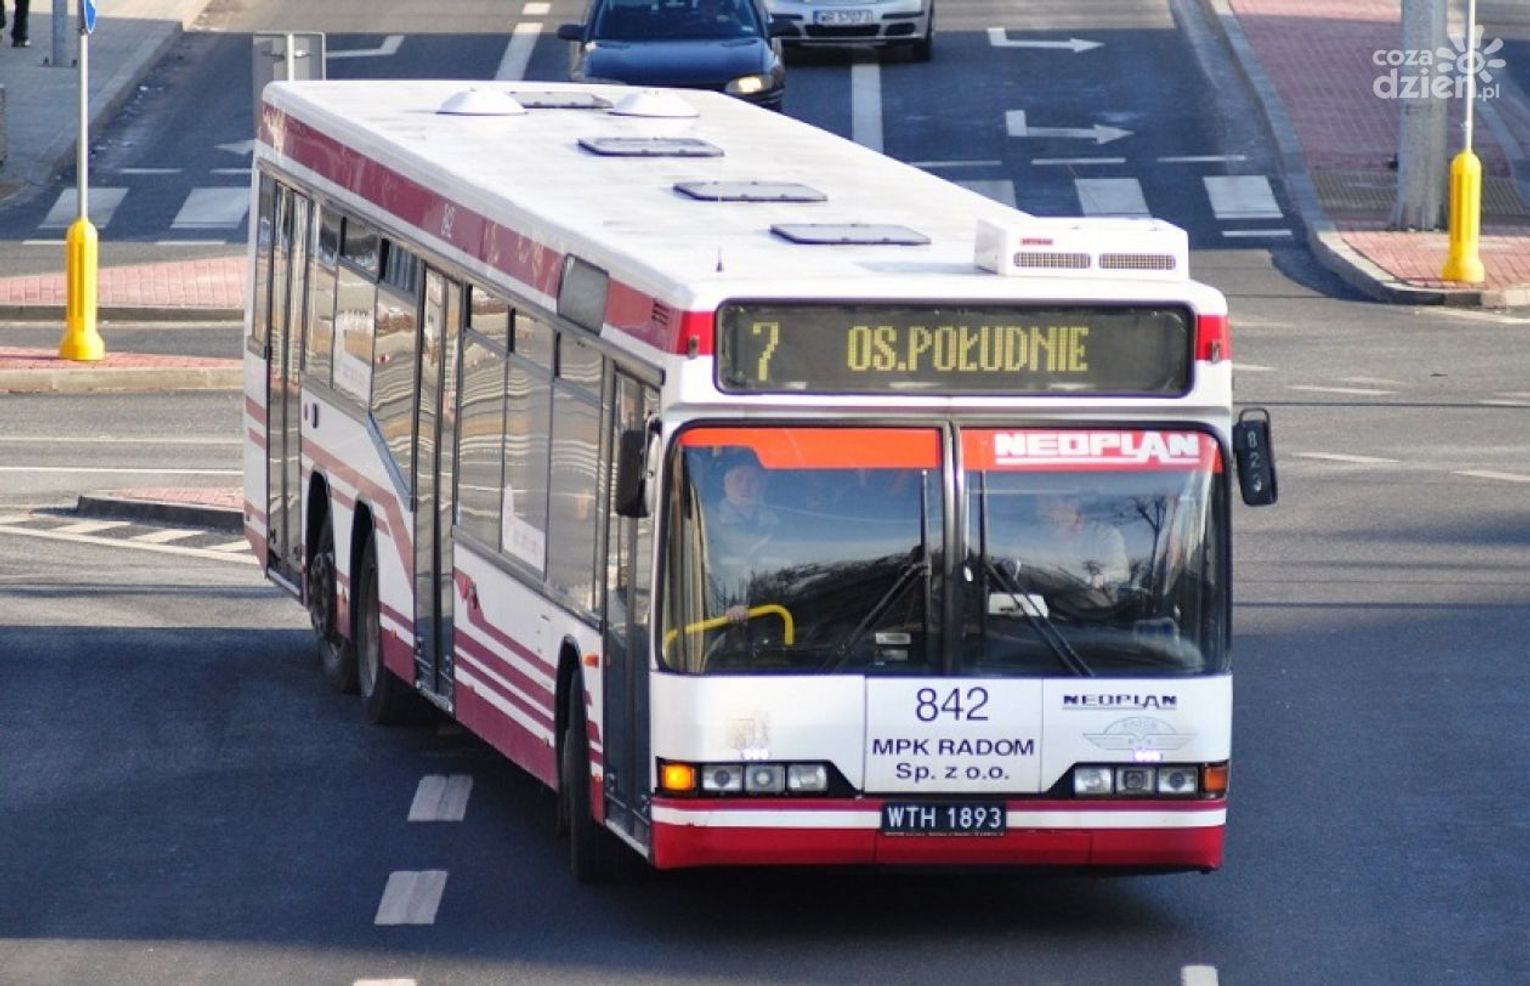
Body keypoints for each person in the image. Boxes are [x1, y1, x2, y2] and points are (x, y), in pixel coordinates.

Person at [707, 451, 779, 624]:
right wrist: (725, 608)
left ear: (762, 485)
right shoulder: (707, 523)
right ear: (725, 483)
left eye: (752, 480)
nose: (745, 486)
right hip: (717, 622)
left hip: (772, 617)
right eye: (738, 479)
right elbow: (702, 576)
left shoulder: (781, 525)